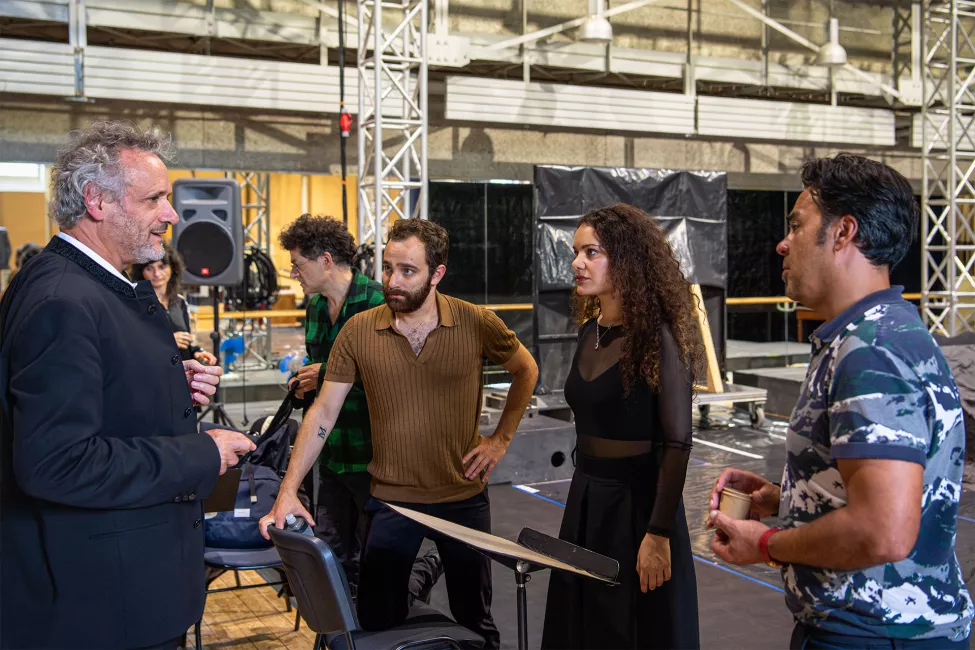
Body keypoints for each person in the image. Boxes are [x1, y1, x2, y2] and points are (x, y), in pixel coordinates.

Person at [0, 121, 255, 650]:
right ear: (96, 201)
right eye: (155, 199)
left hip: (125, 592)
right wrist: (201, 453)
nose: (172, 214)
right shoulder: (64, 300)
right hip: (101, 606)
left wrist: (165, 387)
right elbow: (57, 463)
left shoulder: (100, 286)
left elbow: (97, 401)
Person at [707, 154, 973, 648]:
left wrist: (767, 546)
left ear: (844, 232)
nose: (782, 243)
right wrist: (788, 497)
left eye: (797, 226)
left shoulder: (870, 349)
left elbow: (883, 531)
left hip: (873, 635)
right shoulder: (876, 333)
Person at [261, 218, 538, 649]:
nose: (393, 281)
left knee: (475, 620)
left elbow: (526, 369)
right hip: (393, 499)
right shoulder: (359, 330)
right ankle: (423, 570)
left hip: (462, 498)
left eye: (408, 271)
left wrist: (499, 439)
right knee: (377, 616)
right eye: (389, 268)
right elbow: (324, 411)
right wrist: (288, 490)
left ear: (437, 274)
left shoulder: (476, 322)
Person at [540, 203, 702, 650]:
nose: (577, 263)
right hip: (587, 498)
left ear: (626, 258)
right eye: (576, 252)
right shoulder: (588, 332)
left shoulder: (660, 337)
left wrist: (659, 532)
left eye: (591, 252)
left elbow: (677, 442)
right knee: (583, 626)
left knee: (636, 630)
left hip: (639, 508)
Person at [278, 213, 385, 598]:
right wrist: (303, 384)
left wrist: (323, 375)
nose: (294, 274)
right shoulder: (315, 310)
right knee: (333, 561)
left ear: (325, 260)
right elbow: (323, 390)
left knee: (380, 566)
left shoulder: (378, 302)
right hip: (333, 457)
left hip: (374, 458)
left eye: (297, 265)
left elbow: (390, 380)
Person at [132, 240, 218, 365]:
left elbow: (186, 342)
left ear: (172, 268)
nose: (156, 274)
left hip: (181, 372)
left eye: (162, 267)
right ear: (141, 272)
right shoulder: (135, 303)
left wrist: (196, 352)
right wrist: (168, 341)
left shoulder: (180, 302)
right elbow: (133, 345)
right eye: (149, 268)